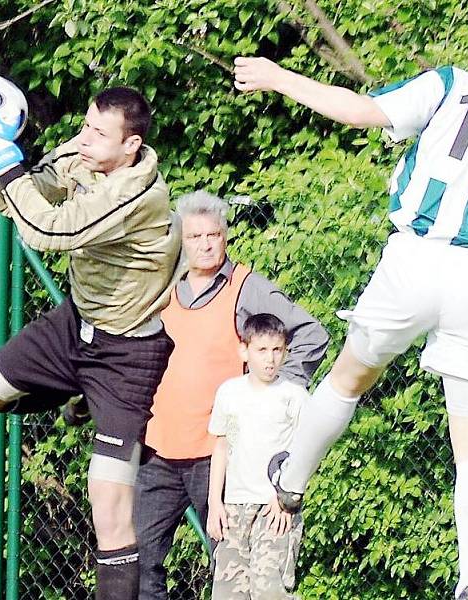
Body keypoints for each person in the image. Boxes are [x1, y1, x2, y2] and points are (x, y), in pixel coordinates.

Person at [233, 18, 468, 600]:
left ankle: (290, 481)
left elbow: (359, 110)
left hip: (414, 260)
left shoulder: (446, 86)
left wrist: (277, 76)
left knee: (348, 379)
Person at [0, 85, 182, 600]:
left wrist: (8, 158)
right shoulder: (84, 154)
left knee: (109, 507)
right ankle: (74, 394)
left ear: (131, 147)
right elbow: (16, 199)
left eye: (100, 133)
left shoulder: (139, 194)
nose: (85, 138)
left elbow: (49, 231)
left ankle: (91, 397)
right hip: (73, 328)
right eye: (86, 124)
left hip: (126, 355)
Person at [107, 189, 326, 599]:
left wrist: (275, 391)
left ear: (225, 237)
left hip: (218, 458)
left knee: (233, 569)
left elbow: (311, 334)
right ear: (180, 241)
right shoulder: (162, 289)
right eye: (194, 237)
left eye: (213, 235)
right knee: (137, 561)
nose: (205, 244)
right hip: (158, 453)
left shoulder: (246, 287)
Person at [207, 313, 308, 599]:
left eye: (277, 350)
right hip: (234, 508)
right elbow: (221, 447)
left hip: (274, 509)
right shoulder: (229, 393)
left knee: (269, 590)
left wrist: (286, 499)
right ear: (244, 350)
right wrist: (215, 502)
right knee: (228, 591)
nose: (270, 359)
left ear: (285, 352)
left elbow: (305, 455)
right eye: (262, 350)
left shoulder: (294, 396)